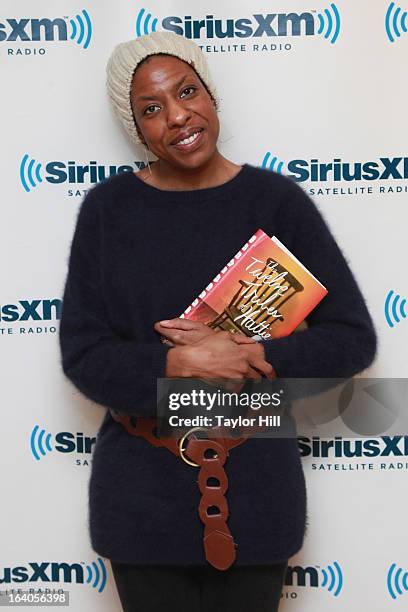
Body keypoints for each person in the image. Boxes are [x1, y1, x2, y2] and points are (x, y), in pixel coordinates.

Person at [59, 31, 377, 612]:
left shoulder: (279, 202)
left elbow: (351, 341)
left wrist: (247, 353)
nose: (177, 116)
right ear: (136, 127)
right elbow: (84, 356)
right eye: (151, 109)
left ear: (211, 94)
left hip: (256, 486)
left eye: (187, 92)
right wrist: (176, 360)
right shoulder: (108, 210)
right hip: (139, 497)